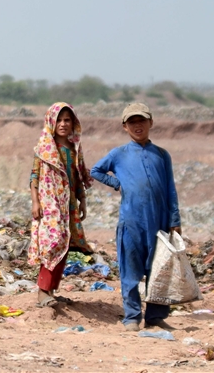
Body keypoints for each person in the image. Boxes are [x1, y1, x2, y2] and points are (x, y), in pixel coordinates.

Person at [91, 102, 181, 332]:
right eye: (132, 122)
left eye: (141, 120)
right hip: (131, 221)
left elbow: (170, 188)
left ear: (151, 123)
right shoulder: (118, 154)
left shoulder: (162, 155)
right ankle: (132, 316)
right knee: (130, 270)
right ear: (124, 126)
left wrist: (175, 220)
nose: (137, 125)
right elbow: (96, 170)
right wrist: (117, 183)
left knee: (159, 270)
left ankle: (155, 316)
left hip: (159, 223)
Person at [27, 102, 93, 308]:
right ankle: (42, 292)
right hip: (50, 203)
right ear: (51, 122)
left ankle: (51, 291)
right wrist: (36, 202)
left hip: (69, 205)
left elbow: (78, 176)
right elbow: (34, 176)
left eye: (67, 120)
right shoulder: (43, 149)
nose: (63, 124)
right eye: (59, 120)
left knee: (64, 245)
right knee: (52, 243)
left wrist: (82, 201)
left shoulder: (73, 149)